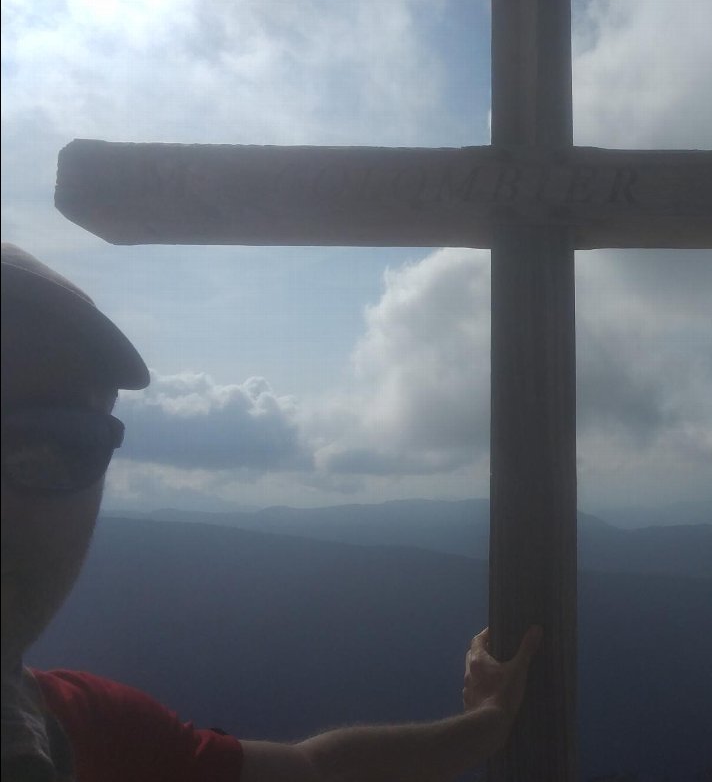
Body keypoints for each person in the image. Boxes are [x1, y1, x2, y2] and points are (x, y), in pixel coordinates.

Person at [0, 242, 542, 782]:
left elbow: (314, 768)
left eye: (58, 443)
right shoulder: (97, 733)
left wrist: (487, 724)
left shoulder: (102, 733)